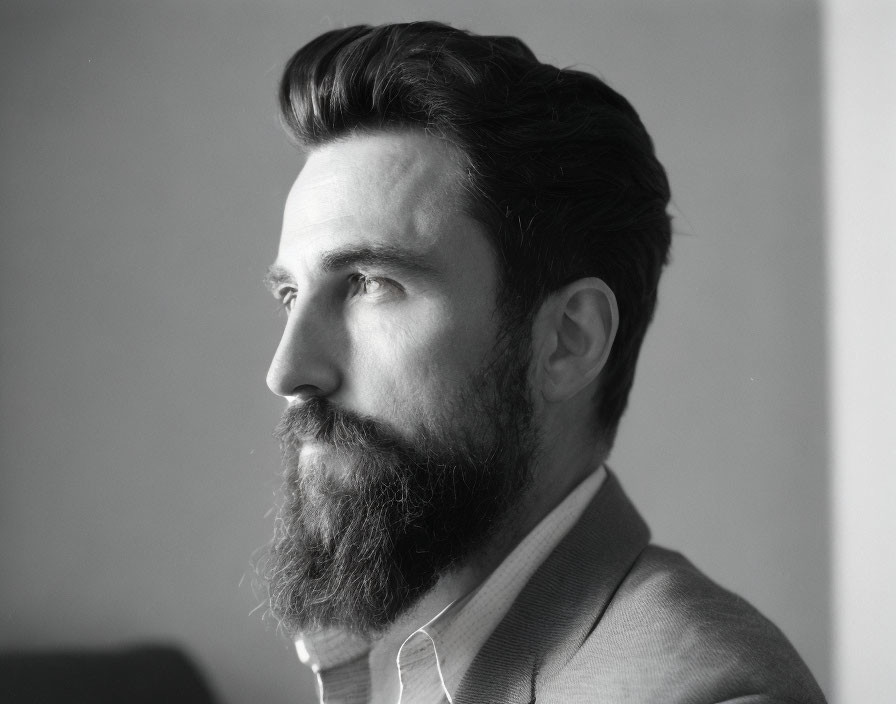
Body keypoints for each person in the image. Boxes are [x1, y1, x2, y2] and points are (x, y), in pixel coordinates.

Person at [257, 21, 826, 704]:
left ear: (567, 340)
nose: (288, 372)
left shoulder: (704, 694)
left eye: (370, 284)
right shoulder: (395, 655)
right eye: (292, 294)